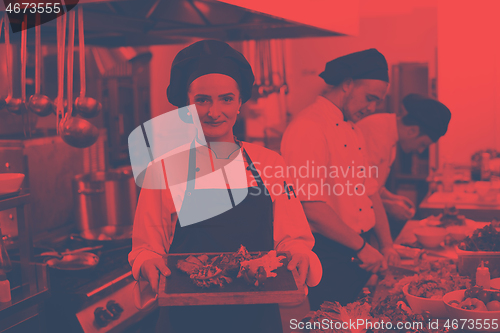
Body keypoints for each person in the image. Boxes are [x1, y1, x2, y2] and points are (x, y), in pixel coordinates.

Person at [128, 40, 321, 333]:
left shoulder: (269, 162)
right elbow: (146, 247)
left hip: (257, 317)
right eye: (202, 100)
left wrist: (300, 252)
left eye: (226, 99)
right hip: (186, 320)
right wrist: (147, 263)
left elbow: (290, 237)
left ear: (240, 102)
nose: (214, 111)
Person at [280, 48, 400, 310]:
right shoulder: (308, 127)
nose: (372, 108)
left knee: (356, 318)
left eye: (378, 102)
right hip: (329, 254)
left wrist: (387, 244)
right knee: (332, 322)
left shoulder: (352, 128)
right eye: (370, 98)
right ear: (347, 84)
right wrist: (361, 248)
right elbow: (310, 207)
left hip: (357, 250)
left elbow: (371, 191)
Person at [357, 93, 451, 237]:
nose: (420, 151)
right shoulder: (375, 133)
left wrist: (392, 198)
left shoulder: (389, 134)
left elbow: (373, 185)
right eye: (423, 144)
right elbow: (356, 189)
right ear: (412, 131)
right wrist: (388, 206)